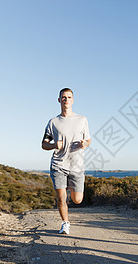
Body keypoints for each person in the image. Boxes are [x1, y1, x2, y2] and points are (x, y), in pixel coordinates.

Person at [42, 88, 91, 235]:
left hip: (77, 165)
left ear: (73, 100)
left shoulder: (82, 120)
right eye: (63, 97)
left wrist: (84, 144)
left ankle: (69, 187)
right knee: (61, 197)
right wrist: (53, 145)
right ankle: (65, 224)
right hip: (59, 164)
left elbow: (88, 140)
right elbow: (44, 144)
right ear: (59, 100)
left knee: (77, 200)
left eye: (69, 97)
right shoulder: (53, 122)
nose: (66, 100)